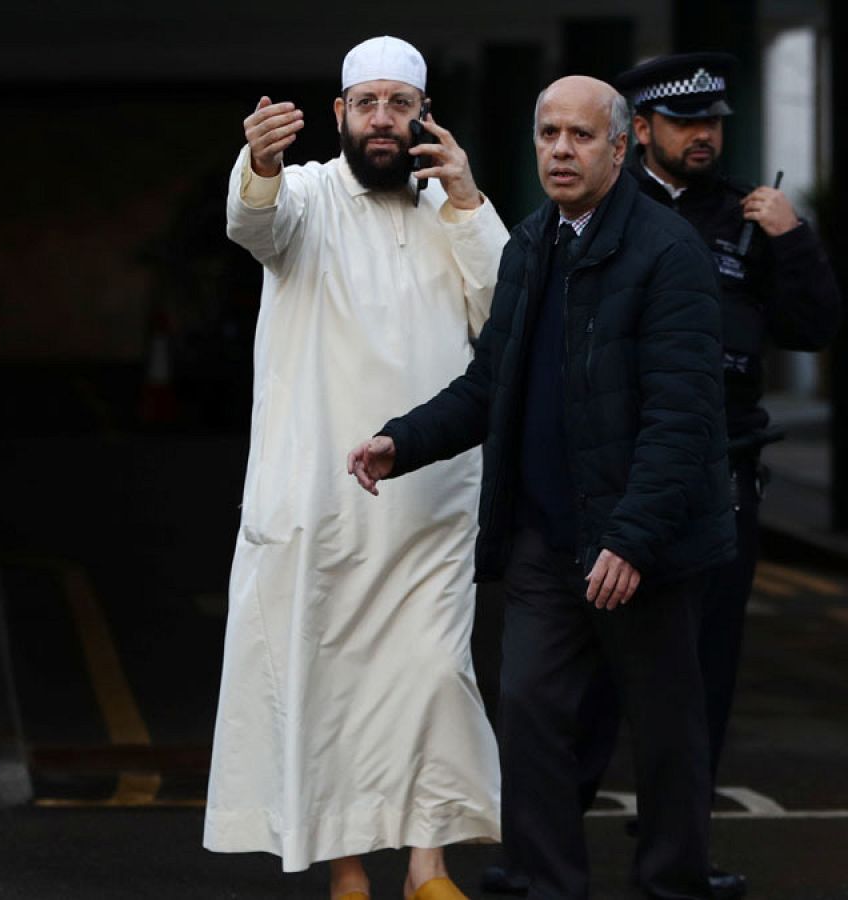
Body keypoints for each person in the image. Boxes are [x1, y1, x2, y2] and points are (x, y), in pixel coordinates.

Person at [347, 75, 734, 900]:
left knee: (666, 736)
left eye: (581, 136)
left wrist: (632, 538)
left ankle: (674, 884)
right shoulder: (530, 244)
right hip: (546, 542)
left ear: (620, 149)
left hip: (645, 550)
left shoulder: (670, 254)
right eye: (548, 133)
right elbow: (490, 384)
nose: (561, 150)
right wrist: (399, 440)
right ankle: (549, 884)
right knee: (529, 719)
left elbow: (684, 416)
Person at [203, 35, 507, 900]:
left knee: (434, 678)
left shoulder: (452, 208)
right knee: (327, 683)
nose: (384, 120)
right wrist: (258, 160)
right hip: (320, 500)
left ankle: (428, 864)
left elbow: (503, 311)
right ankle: (345, 868)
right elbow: (251, 223)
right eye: (367, 104)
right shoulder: (302, 195)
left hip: (433, 501)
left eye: (399, 105)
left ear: (424, 115)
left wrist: (469, 197)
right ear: (339, 115)